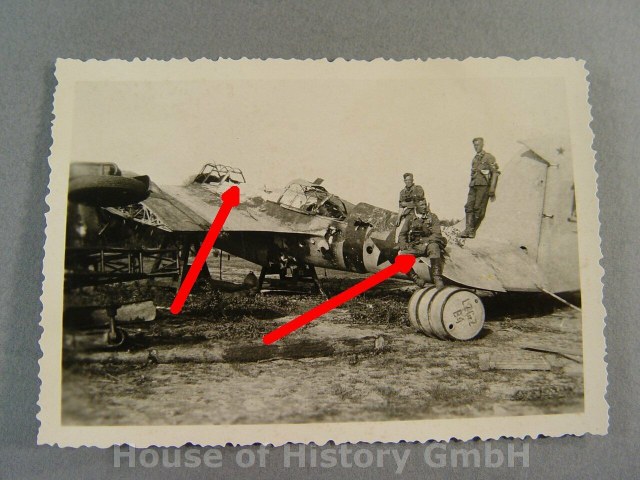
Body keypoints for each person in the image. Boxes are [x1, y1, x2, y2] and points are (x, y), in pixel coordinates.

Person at [397, 200, 446, 289]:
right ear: (416, 206)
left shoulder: (432, 217)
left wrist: (424, 240)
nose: (425, 207)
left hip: (429, 244)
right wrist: (403, 245)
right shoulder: (410, 218)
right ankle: (416, 279)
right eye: (422, 205)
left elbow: (437, 234)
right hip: (415, 246)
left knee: (434, 247)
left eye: (425, 204)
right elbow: (402, 234)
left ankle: (437, 277)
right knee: (401, 258)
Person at [460, 137, 500, 238]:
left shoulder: (489, 157)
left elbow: (495, 173)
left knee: (478, 208)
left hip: (483, 186)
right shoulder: (474, 159)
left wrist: (492, 188)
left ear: (482, 145)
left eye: (478, 145)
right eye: (474, 145)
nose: (476, 147)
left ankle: (471, 230)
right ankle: (468, 230)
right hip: (473, 185)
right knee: (468, 207)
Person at [395, 173, 426, 242]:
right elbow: (401, 207)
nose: (408, 182)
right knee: (400, 229)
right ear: (404, 181)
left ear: (412, 180)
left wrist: (406, 204)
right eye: (406, 180)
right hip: (408, 214)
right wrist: (398, 218)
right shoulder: (402, 192)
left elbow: (418, 203)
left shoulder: (418, 189)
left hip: (419, 213)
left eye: (409, 180)